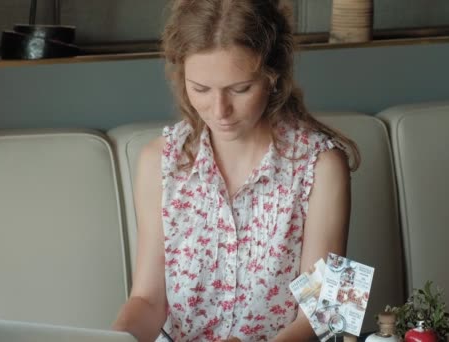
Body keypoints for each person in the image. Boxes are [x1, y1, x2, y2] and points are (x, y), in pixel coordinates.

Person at [113, 0, 360, 341]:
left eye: (240, 89)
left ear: (273, 77)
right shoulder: (159, 162)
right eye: (200, 89)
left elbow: (328, 312)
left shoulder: (322, 165)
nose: (219, 111)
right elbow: (147, 299)